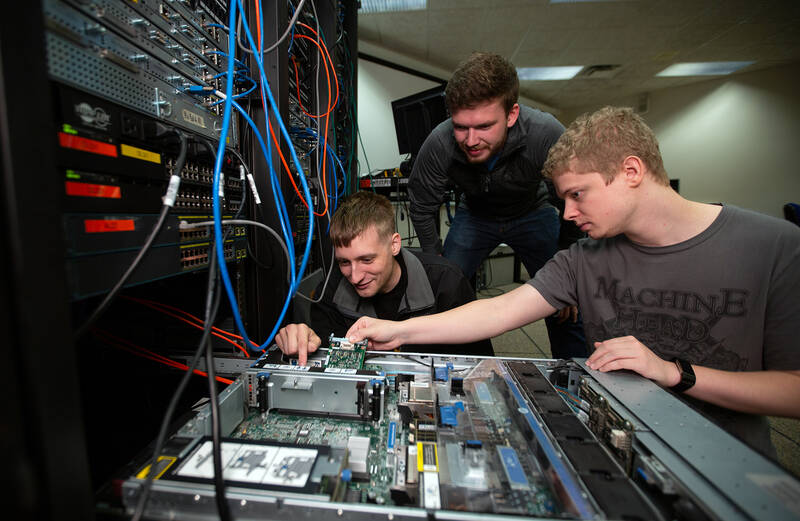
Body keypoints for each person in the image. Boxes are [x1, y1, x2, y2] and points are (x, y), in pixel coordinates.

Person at [346, 106, 800, 458]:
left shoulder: (774, 247)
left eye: (577, 195)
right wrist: (399, 331)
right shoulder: (584, 258)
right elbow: (499, 310)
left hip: (728, 465)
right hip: (615, 453)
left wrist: (674, 372)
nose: (566, 214)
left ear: (631, 172)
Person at [407, 51, 587, 359]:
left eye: (484, 127)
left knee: (566, 298)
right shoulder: (440, 141)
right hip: (475, 215)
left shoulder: (545, 133)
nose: (470, 140)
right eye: (461, 127)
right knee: (442, 290)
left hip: (533, 211)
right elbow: (421, 206)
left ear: (512, 114)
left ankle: (573, 373)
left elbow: (576, 202)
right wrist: (434, 257)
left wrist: (569, 263)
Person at [275, 191, 494, 365]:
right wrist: (303, 341)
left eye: (367, 259)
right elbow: (326, 357)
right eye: (344, 262)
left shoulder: (446, 282)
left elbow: (480, 367)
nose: (355, 277)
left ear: (394, 244)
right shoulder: (331, 291)